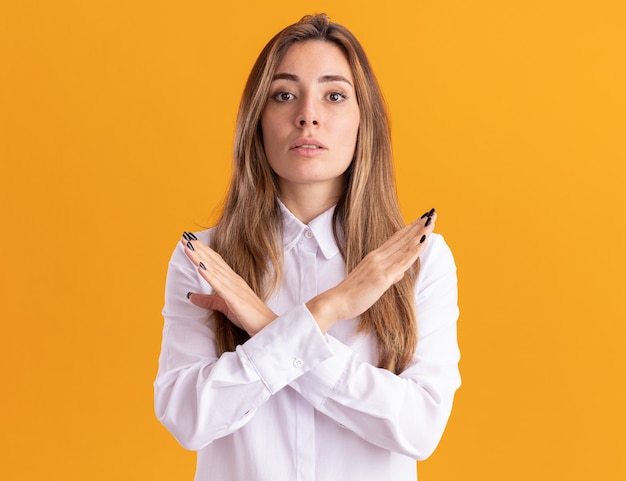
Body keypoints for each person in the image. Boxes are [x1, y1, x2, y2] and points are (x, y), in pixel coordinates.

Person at [154, 13, 460, 481]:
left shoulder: (420, 260)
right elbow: (187, 417)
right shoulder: (207, 260)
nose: (308, 115)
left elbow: (419, 428)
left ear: (364, 121)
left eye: (334, 95)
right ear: (257, 120)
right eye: (284, 95)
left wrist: (266, 326)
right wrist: (328, 309)